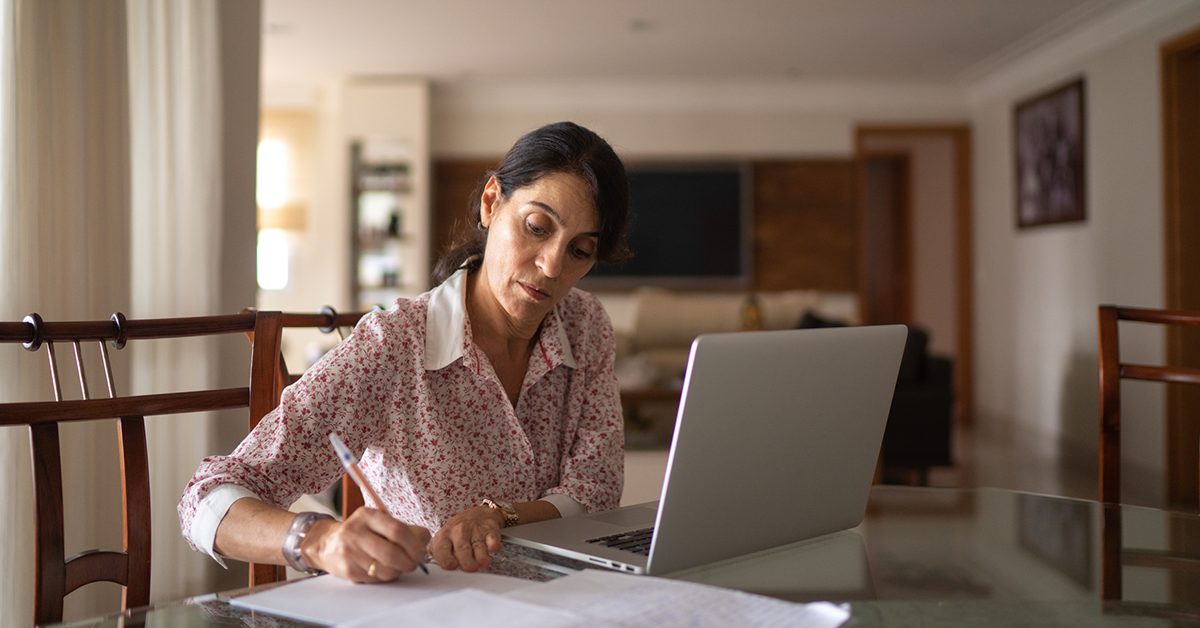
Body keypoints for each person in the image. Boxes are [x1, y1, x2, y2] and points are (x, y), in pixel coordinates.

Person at [178, 121, 631, 583]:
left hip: (561, 601)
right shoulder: (395, 346)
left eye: (579, 251)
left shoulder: (585, 325)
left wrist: (498, 515)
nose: (552, 265)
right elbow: (206, 500)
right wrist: (320, 540)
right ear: (492, 202)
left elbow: (595, 490)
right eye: (537, 227)